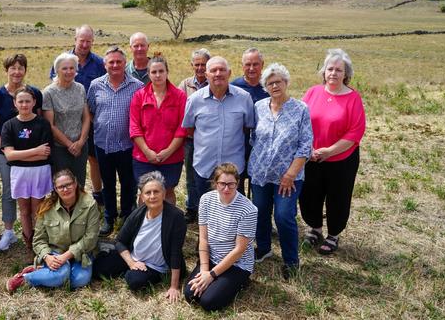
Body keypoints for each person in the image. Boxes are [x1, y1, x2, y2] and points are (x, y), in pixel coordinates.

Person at [247, 63, 313, 278]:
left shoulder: (300, 109)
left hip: (289, 177)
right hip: (260, 173)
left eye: (278, 82)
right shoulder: (258, 107)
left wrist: (291, 173)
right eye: (270, 83)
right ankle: (264, 248)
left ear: (286, 83)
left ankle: (291, 261)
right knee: (260, 212)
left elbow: (305, 144)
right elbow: (253, 138)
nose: (274, 86)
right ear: (265, 87)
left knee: (284, 216)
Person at [300, 49, 366, 255]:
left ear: (346, 74)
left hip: (341, 159)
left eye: (339, 70)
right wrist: (308, 148)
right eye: (330, 69)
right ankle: (315, 228)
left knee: (338, 197)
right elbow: (300, 120)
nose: (334, 74)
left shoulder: (353, 98)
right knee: (310, 194)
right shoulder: (313, 92)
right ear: (324, 71)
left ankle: (334, 234)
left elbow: (356, 131)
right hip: (312, 156)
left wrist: (330, 151)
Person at [92, 171, 187, 303]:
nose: (152, 196)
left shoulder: (176, 217)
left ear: (164, 194)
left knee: (134, 281)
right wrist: (131, 262)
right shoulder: (137, 214)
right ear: (141, 196)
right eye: (148, 193)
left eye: (156, 191)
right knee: (98, 269)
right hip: (134, 257)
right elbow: (120, 241)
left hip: (155, 266)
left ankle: (137, 272)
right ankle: (126, 266)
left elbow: (175, 252)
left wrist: (174, 286)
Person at [182, 56, 254, 220]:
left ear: (229, 73)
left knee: (234, 210)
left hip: (233, 168)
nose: (218, 73)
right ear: (206, 75)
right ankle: (206, 241)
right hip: (205, 165)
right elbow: (190, 129)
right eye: (213, 70)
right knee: (206, 209)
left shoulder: (244, 98)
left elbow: (246, 128)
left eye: (222, 69)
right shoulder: (194, 100)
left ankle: (232, 243)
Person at [0, 53, 44, 251]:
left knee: (35, 197)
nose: (17, 72)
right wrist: (6, 148)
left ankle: (38, 235)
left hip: (35, 158)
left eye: (21, 68)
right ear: (7, 70)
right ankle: (9, 231)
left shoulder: (34, 93)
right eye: (13, 68)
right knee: (11, 193)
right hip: (7, 154)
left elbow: (40, 122)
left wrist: (32, 152)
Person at [6, 169, 100, 292]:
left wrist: (66, 256)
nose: (65, 189)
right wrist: (47, 256)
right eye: (61, 187)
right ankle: (25, 278)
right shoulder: (46, 208)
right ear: (55, 189)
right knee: (61, 274)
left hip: (81, 254)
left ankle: (45, 274)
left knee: (80, 280)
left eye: (68, 185)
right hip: (55, 253)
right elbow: (38, 240)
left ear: (75, 183)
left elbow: (91, 238)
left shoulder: (90, 204)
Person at [183, 163, 257, 312]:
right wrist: (204, 270)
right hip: (211, 257)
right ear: (215, 183)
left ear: (238, 183)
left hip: (237, 264)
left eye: (231, 184)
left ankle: (242, 281)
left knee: (208, 302)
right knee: (190, 295)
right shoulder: (206, 200)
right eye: (222, 184)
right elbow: (203, 238)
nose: (226, 189)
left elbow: (239, 250)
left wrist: (211, 275)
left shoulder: (248, 210)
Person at [87, 46, 144, 236]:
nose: (115, 65)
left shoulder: (137, 86)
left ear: (124, 63)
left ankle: (127, 215)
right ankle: (109, 217)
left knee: (129, 183)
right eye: (111, 62)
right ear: (105, 65)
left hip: (128, 145)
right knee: (108, 183)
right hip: (103, 144)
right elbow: (92, 111)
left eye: (119, 61)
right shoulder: (95, 85)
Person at [50, 25, 106, 206]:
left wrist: (82, 139)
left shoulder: (99, 63)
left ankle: (97, 196)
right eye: (82, 40)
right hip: (63, 125)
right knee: (64, 168)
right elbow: (54, 84)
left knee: (93, 159)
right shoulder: (62, 60)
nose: (84, 44)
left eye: (88, 41)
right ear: (75, 39)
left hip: (91, 119)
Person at [1, 87, 53, 260]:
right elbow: (9, 155)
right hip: (19, 173)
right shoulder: (9, 125)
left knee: (37, 210)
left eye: (27, 101)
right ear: (15, 103)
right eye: (20, 101)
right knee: (24, 210)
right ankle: (29, 243)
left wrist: (20, 156)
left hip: (39, 172)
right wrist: (34, 152)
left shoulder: (42, 123)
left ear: (34, 102)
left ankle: (40, 243)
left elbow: (45, 153)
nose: (24, 104)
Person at [129, 56, 187, 205]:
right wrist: (147, 152)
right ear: (148, 74)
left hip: (171, 157)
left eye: (161, 71)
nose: (158, 75)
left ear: (167, 72)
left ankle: (167, 226)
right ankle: (144, 225)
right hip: (144, 157)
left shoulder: (180, 96)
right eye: (154, 72)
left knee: (167, 190)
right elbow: (135, 127)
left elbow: (182, 128)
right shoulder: (139, 96)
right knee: (145, 191)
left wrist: (168, 151)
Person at [43, 53, 91, 187]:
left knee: (79, 183)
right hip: (60, 149)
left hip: (81, 147)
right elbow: (50, 125)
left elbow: (86, 117)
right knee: (62, 186)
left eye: (72, 68)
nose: (69, 71)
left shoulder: (80, 88)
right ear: (57, 70)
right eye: (64, 68)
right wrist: (69, 145)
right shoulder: (49, 93)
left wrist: (81, 142)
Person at [177, 48, 210, 223]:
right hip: (190, 140)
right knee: (190, 175)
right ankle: (191, 208)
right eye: (196, 64)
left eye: (203, 64)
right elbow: (178, 108)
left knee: (209, 176)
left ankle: (209, 209)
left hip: (208, 140)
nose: (200, 68)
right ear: (191, 65)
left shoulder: (214, 83)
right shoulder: (185, 85)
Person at [231, 48, 270, 197]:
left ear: (262, 65)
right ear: (242, 66)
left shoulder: (269, 86)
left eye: (256, 64)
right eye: (248, 64)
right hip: (238, 144)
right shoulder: (234, 87)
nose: (252, 68)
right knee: (237, 185)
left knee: (259, 189)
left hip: (262, 147)